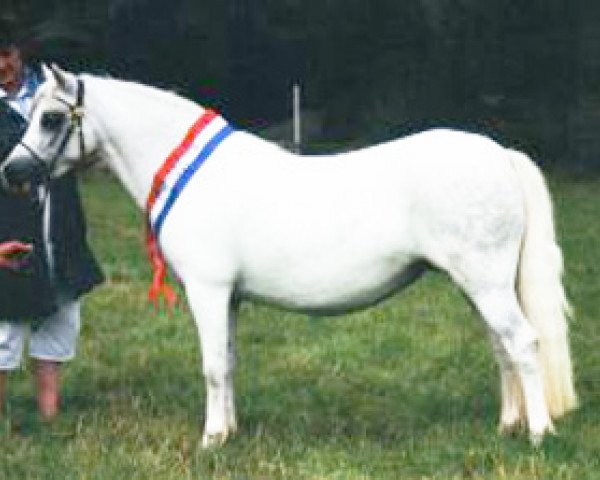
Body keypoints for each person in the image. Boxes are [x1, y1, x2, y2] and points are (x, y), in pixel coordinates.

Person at [0, 14, 103, 420]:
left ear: (20, 52)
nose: (1, 66)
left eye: (5, 54)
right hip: (7, 230)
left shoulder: (56, 93)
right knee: (4, 331)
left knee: (60, 320)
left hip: (59, 225)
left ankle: (49, 415)